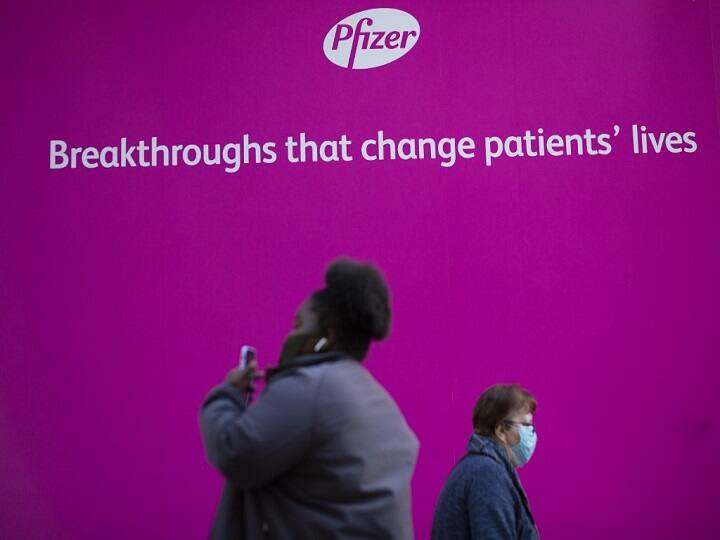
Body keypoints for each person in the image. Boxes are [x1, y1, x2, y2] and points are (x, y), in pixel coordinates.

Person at [199, 257, 419, 539]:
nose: (289, 335)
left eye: (298, 324)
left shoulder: (310, 387)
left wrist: (227, 395)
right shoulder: (381, 402)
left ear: (328, 336)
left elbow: (235, 452)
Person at [432, 384, 539, 540]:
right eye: (526, 425)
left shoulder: (480, 467)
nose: (532, 433)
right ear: (501, 430)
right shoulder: (487, 474)